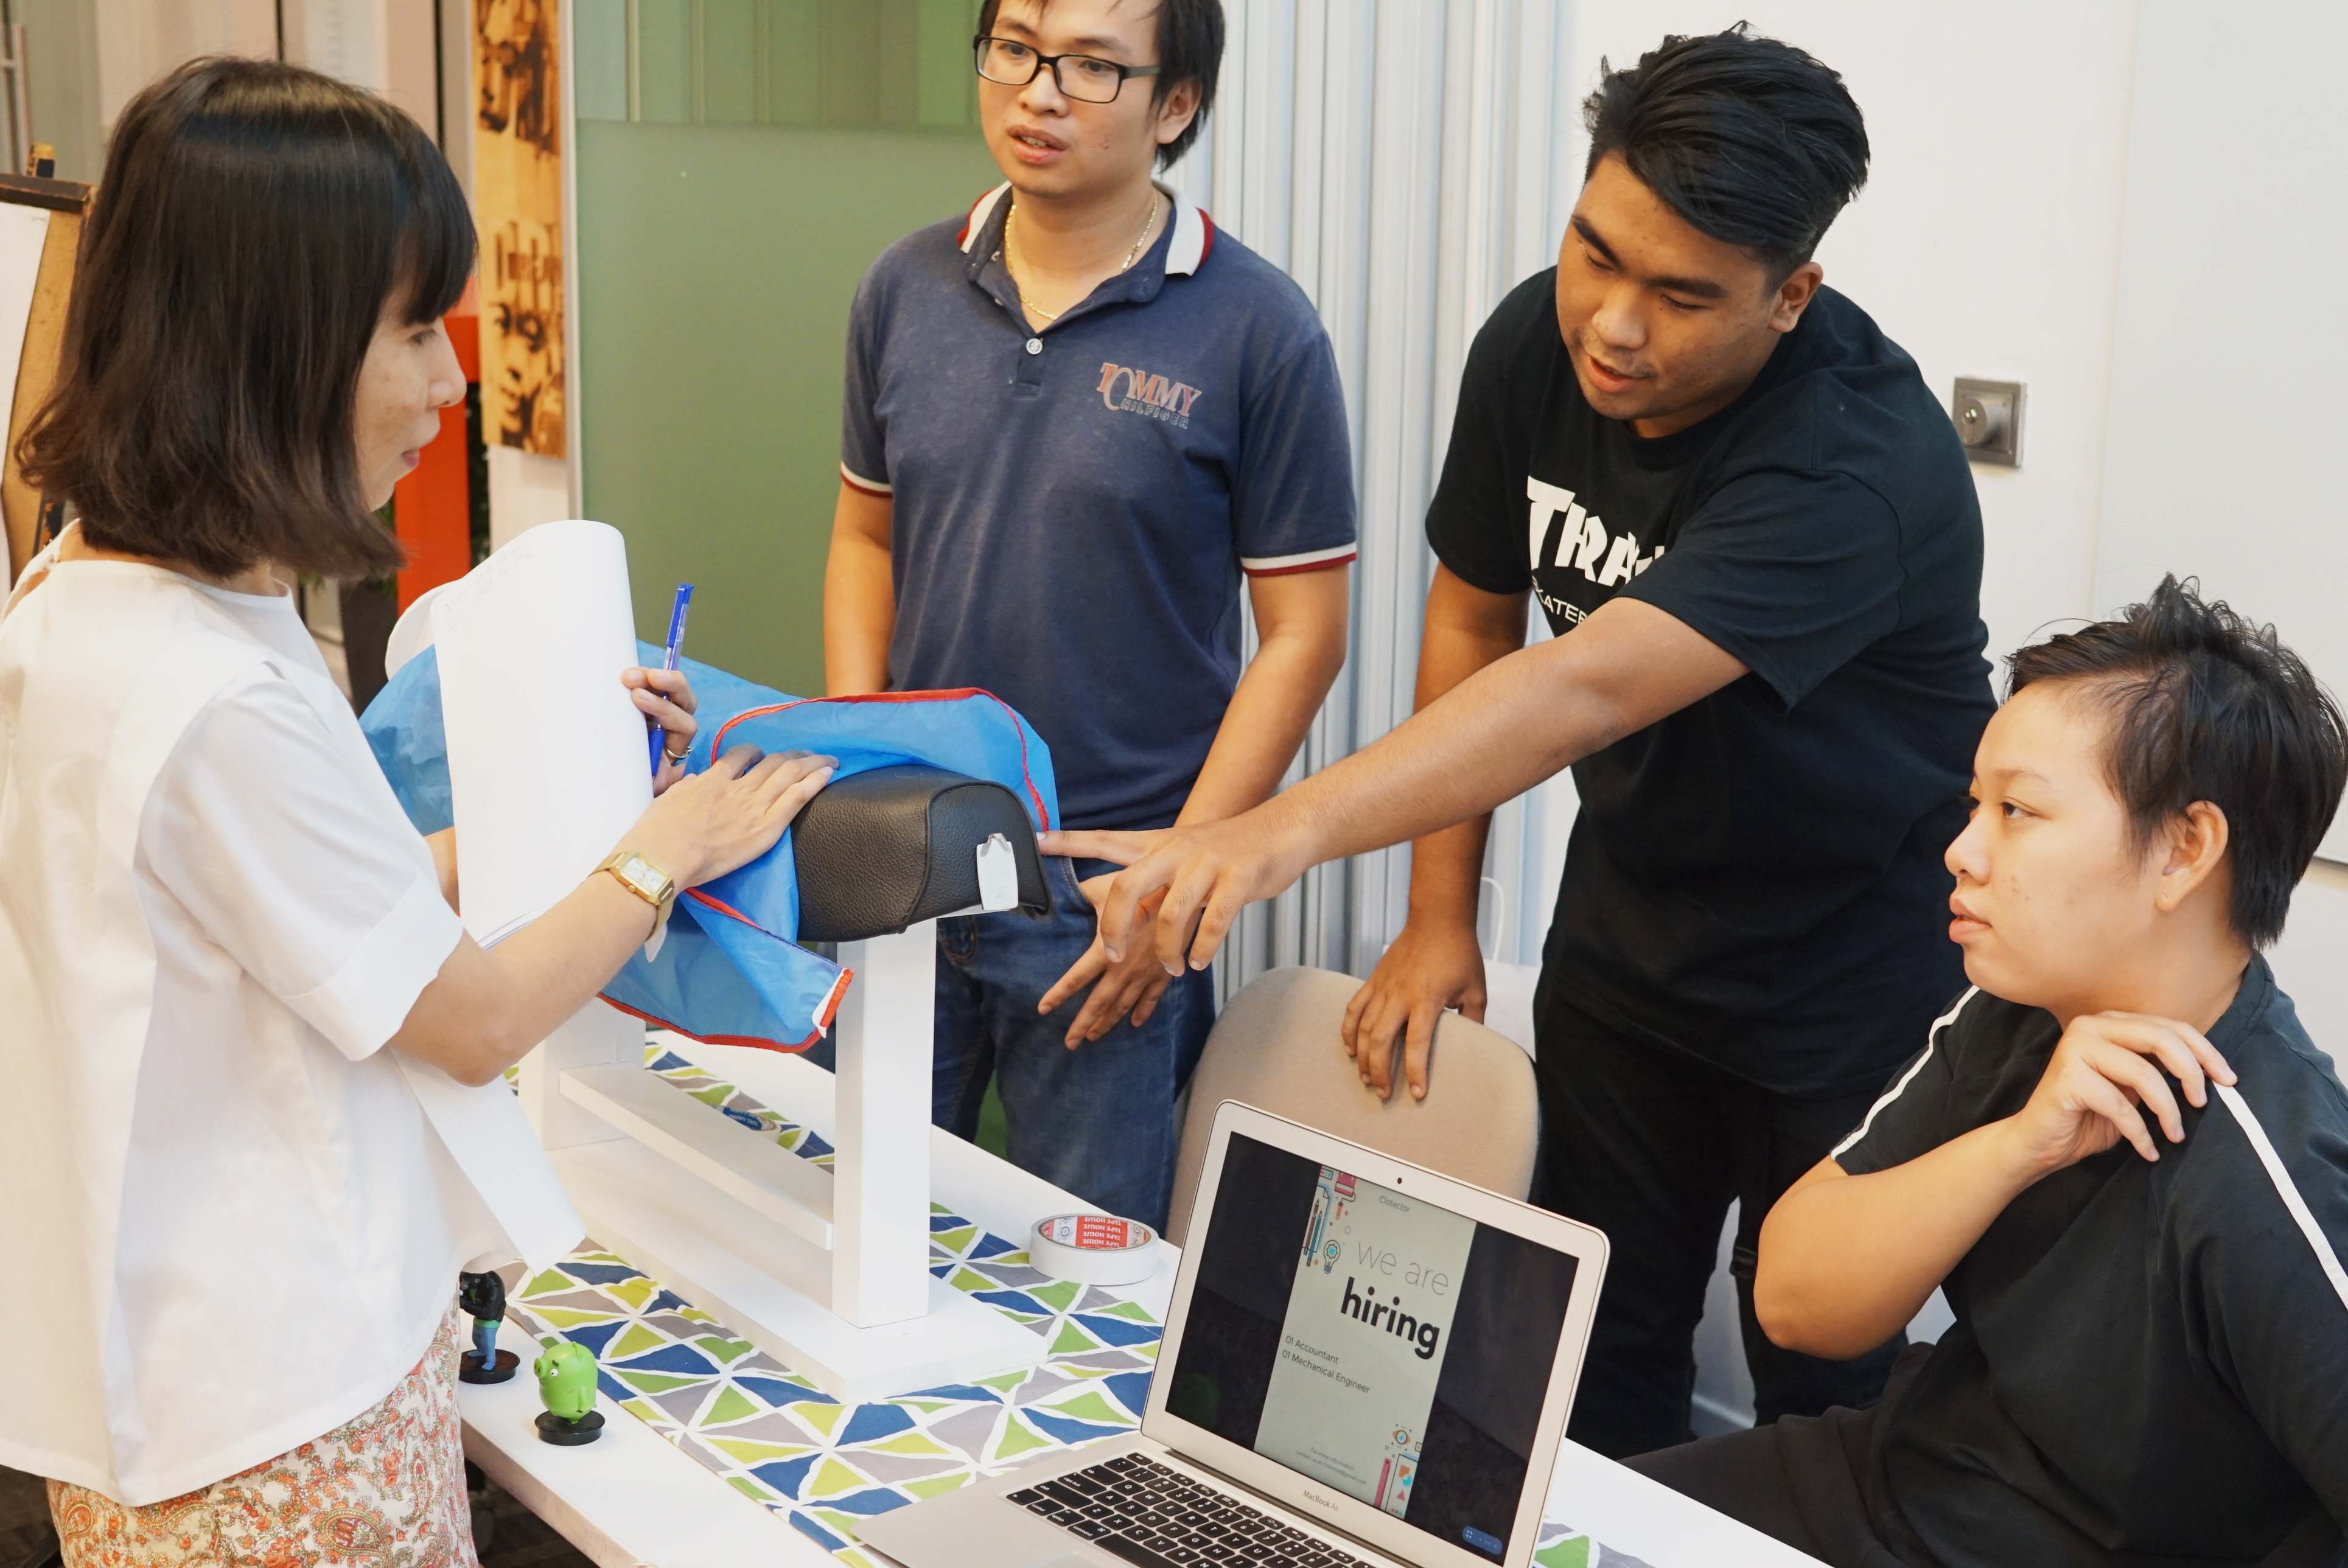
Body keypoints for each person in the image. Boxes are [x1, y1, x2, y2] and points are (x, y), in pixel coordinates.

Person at [1049, 26, 1994, 1453]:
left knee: (1819, 1385)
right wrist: (1441, 915)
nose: (1614, 323)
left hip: (1852, 975)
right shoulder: (1536, 346)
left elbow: (1583, 689)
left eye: (1682, 296)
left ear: (1791, 294)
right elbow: (1477, 618)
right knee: (1583, 1355)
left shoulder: (1857, 464)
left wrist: (1267, 833)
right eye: (1596, 250)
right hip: (1633, 941)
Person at [0, 58, 831, 1564]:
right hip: (274, 1431)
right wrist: (671, 848)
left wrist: (581, 820)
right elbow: (473, 1016)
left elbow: (325, 912)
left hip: (178, 1393)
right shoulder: (214, 691)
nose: (453, 385)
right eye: (409, 334)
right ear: (273, 344)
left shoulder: (82, 594)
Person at [1629, 577, 2348, 1568]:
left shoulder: (2271, 1173)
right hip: (1886, 1479)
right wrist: (2019, 1145)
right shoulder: (2014, 1005)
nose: (1962, 850)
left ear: (2185, 848)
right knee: (1517, 1528)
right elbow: (1794, 1301)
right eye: (1976, 805)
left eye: (2017, 810)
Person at [823, 0, 1355, 1232]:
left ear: (1175, 106)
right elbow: (865, 535)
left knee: (1079, 1282)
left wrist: (1186, 867)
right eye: (1015, 47)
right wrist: (857, 764)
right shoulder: (903, 286)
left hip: (1108, 892)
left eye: (1091, 66)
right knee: (856, 1221)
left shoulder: (1258, 331)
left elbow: (1304, 635)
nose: (1040, 90)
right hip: (906, 848)